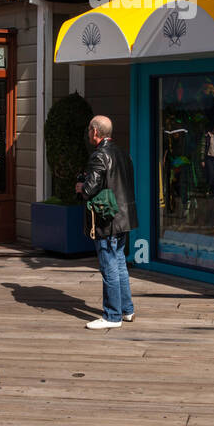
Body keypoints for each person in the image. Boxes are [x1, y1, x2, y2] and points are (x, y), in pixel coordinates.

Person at [77, 115, 138, 330]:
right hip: (123, 217)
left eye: (89, 130)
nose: (88, 134)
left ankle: (112, 315)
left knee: (109, 266)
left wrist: (80, 187)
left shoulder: (99, 156)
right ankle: (127, 310)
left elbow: (89, 189)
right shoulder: (123, 153)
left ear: (95, 132)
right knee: (119, 263)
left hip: (107, 219)